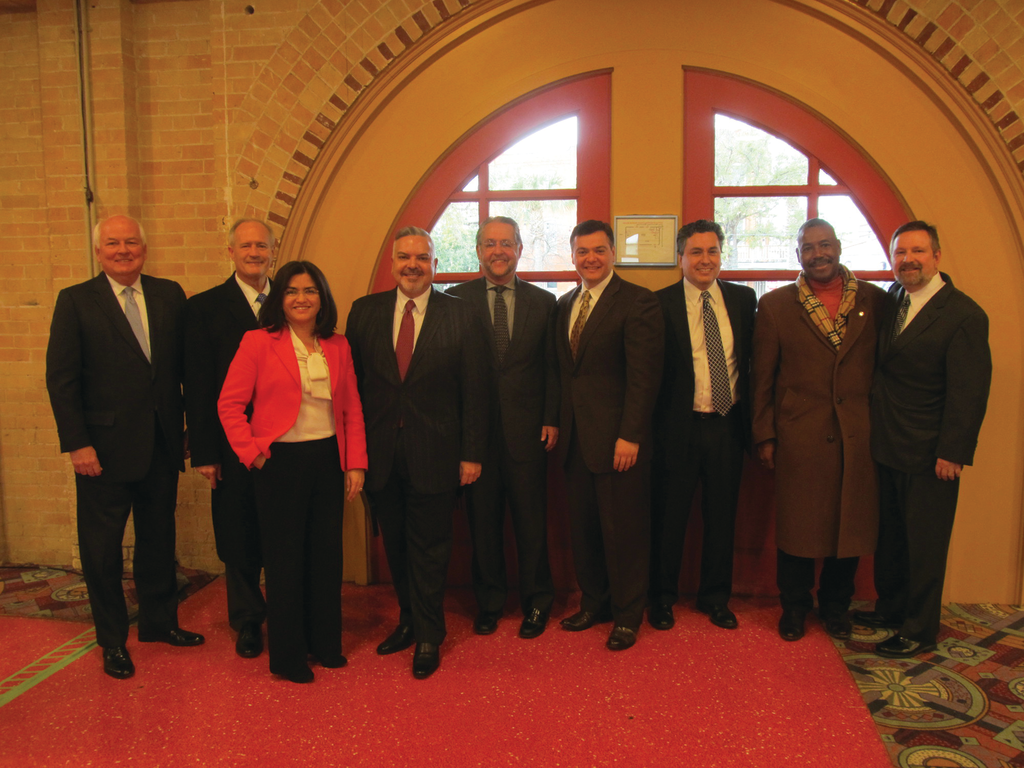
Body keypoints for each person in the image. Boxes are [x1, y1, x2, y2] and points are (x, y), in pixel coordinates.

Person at [46, 214, 204, 680]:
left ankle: (159, 623)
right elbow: (62, 379)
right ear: (98, 252)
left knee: (158, 541)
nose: (122, 250)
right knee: (103, 551)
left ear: (144, 248)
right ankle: (112, 640)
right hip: (102, 451)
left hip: (160, 442)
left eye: (130, 242)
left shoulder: (168, 294)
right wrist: (78, 444)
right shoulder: (76, 301)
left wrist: (189, 427)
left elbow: (183, 368)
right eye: (112, 243)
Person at [345, 226, 488, 679]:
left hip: (438, 453)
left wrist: (471, 454)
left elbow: (475, 391)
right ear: (392, 264)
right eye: (404, 257)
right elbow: (354, 390)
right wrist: (354, 456)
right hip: (381, 455)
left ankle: (430, 634)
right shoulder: (364, 313)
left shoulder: (461, 315)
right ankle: (408, 620)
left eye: (422, 258)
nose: (412, 265)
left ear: (435, 265)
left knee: (430, 547)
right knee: (398, 545)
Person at [218, 260, 366, 684]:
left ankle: (326, 644)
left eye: (310, 291)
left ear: (323, 298)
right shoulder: (257, 342)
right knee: (284, 561)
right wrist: (253, 454)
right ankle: (288, 656)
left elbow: (352, 408)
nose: (301, 299)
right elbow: (228, 405)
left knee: (325, 558)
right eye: (291, 291)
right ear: (279, 299)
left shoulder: (337, 345)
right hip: (278, 462)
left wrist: (355, 462)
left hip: (326, 460)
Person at [858, 221, 991, 658]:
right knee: (892, 537)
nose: (908, 260)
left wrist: (952, 452)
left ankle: (919, 628)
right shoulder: (895, 298)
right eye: (900, 253)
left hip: (932, 452)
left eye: (917, 251)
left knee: (925, 544)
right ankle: (892, 608)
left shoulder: (964, 315)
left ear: (936, 256)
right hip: (890, 443)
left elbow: (968, 392)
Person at [751, 218, 886, 642]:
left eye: (824, 245)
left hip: (857, 437)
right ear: (798, 256)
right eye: (808, 248)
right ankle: (794, 608)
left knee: (848, 529)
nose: (818, 254)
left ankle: (835, 606)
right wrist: (765, 435)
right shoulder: (775, 306)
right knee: (798, 530)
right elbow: (762, 379)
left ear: (839, 247)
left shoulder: (875, 301)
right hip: (800, 436)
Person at [554, 219, 664, 652]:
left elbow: (644, 377)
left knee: (624, 533)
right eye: (582, 252)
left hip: (620, 442)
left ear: (613, 253)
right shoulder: (565, 304)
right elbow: (566, 375)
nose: (591, 259)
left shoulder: (638, 302)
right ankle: (593, 602)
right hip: (575, 441)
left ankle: (627, 616)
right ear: (574, 256)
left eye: (599, 250)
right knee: (584, 530)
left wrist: (630, 435)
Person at [447, 216, 559, 639]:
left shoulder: (543, 302)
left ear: (519, 249)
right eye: (490, 243)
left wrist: (551, 416)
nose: (499, 251)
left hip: (528, 434)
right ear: (478, 251)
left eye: (506, 243)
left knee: (532, 525)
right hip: (474, 439)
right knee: (483, 526)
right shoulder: (454, 301)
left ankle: (537, 603)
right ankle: (490, 603)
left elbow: (552, 367)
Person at [649, 220, 756, 632]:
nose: (705, 260)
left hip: (727, 426)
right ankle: (661, 599)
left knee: (722, 519)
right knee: (668, 519)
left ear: (720, 255)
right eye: (696, 252)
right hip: (677, 429)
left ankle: (716, 598)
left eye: (712, 251)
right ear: (681, 258)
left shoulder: (744, 300)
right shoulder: (658, 303)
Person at [183, 218, 274, 659]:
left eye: (261, 245)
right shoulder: (203, 308)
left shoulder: (293, 302)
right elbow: (197, 386)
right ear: (231, 251)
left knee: (281, 530)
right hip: (229, 443)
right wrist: (204, 452)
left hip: (286, 443)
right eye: (246, 246)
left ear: (273, 251)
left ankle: (287, 611)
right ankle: (247, 620)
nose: (254, 253)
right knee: (238, 536)